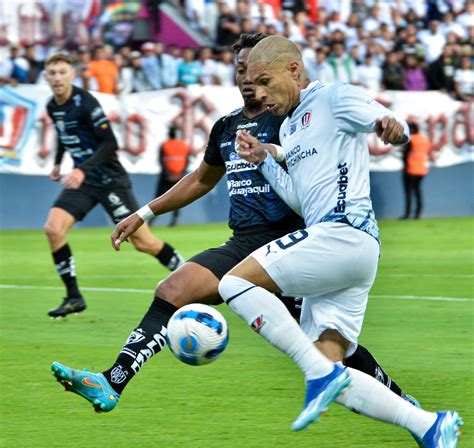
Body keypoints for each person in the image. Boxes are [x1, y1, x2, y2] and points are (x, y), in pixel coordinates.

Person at [51, 34, 417, 425]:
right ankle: (112, 381)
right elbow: (201, 180)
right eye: (241, 69)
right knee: (172, 289)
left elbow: (319, 166)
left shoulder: (291, 115)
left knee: (333, 347)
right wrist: (144, 212)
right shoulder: (227, 126)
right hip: (243, 241)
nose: (247, 79)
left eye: (254, 71)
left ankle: (404, 405)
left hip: (292, 242)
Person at [217, 35, 461, 448]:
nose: (258, 93)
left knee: (233, 282)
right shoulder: (290, 128)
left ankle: (317, 373)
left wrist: (394, 128)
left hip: (345, 233)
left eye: (265, 81)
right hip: (338, 252)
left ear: (293, 70)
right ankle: (431, 425)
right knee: (338, 372)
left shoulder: (333, 97)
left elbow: (386, 121)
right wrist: (267, 160)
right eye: (252, 84)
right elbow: (298, 198)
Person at [43, 52, 184, 318]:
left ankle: (190, 275)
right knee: (53, 229)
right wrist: (57, 163)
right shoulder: (53, 106)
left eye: (63, 72)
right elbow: (64, 135)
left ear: (73, 74)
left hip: (109, 181)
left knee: (144, 243)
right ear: (46, 77)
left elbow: (110, 144)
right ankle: (74, 297)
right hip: (83, 181)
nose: (58, 78)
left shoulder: (86, 103)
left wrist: (82, 169)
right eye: (53, 73)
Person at [154, 126, 191, 227]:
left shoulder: (165, 145)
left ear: (169, 134)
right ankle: (173, 220)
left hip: (166, 176)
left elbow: (161, 160)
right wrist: (181, 174)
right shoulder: (183, 145)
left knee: (159, 198)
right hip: (178, 176)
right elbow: (187, 161)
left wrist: (167, 174)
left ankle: (152, 221)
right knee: (176, 199)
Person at [401, 122, 433, 220]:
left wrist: (405, 167)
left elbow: (405, 155)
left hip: (410, 169)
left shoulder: (410, 140)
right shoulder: (424, 140)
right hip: (422, 170)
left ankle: (407, 214)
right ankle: (418, 214)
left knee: (408, 193)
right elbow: (428, 153)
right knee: (418, 191)